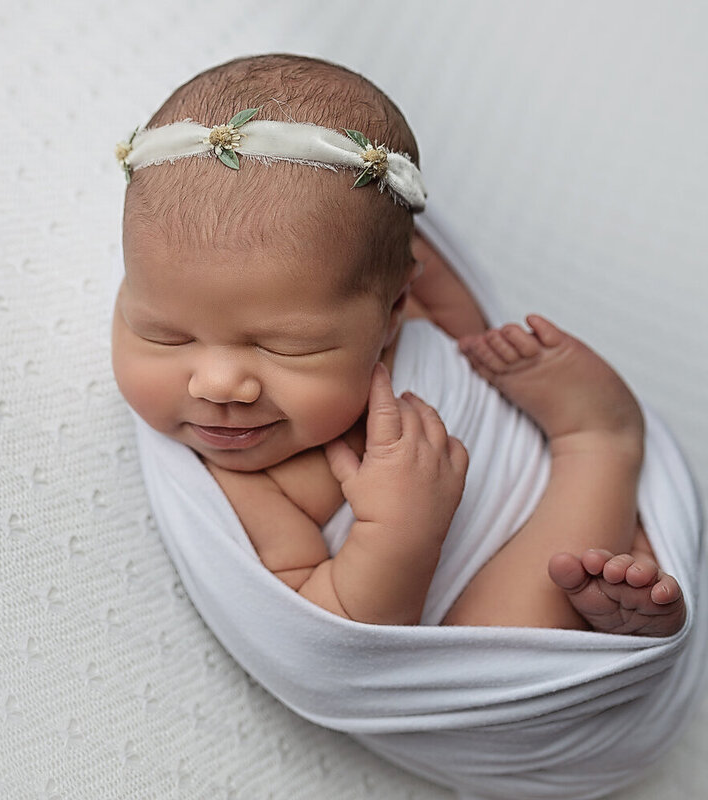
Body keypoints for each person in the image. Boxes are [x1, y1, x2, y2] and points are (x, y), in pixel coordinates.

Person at [110, 53, 685, 635]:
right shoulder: (243, 486)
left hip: (528, 467)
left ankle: (605, 458)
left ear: (392, 313)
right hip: (496, 596)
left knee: (585, 550)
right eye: (164, 334)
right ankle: (600, 446)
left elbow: (447, 307)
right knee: (491, 637)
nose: (216, 384)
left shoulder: (397, 300)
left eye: (286, 347)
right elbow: (328, 628)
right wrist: (401, 534)